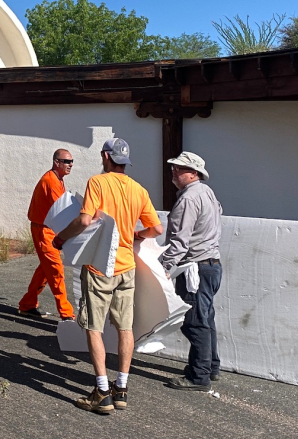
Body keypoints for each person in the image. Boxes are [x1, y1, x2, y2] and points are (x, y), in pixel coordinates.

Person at [52, 138, 163, 414]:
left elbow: (85, 220)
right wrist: (136, 235)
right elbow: (157, 229)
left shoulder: (98, 183)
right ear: (125, 161)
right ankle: (121, 388)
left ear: (105, 156)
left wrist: (60, 238)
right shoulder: (139, 190)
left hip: (100, 267)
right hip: (127, 268)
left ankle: (102, 392)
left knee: (94, 328)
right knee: (126, 328)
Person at [159, 151, 223, 391]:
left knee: (194, 322)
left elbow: (179, 242)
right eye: (173, 168)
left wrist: (163, 268)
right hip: (211, 265)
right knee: (205, 319)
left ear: (194, 173)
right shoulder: (206, 192)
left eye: (180, 169)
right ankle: (211, 367)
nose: (174, 173)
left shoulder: (188, 198)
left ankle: (199, 376)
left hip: (195, 267)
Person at [17, 149, 76, 320]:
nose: (70, 164)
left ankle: (27, 305)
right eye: (66, 161)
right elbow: (63, 210)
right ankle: (67, 315)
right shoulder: (50, 181)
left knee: (45, 268)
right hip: (43, 230)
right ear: (56, 162)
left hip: (48, 229)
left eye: (72, 161)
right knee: (56, 270)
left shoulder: (57, 179)